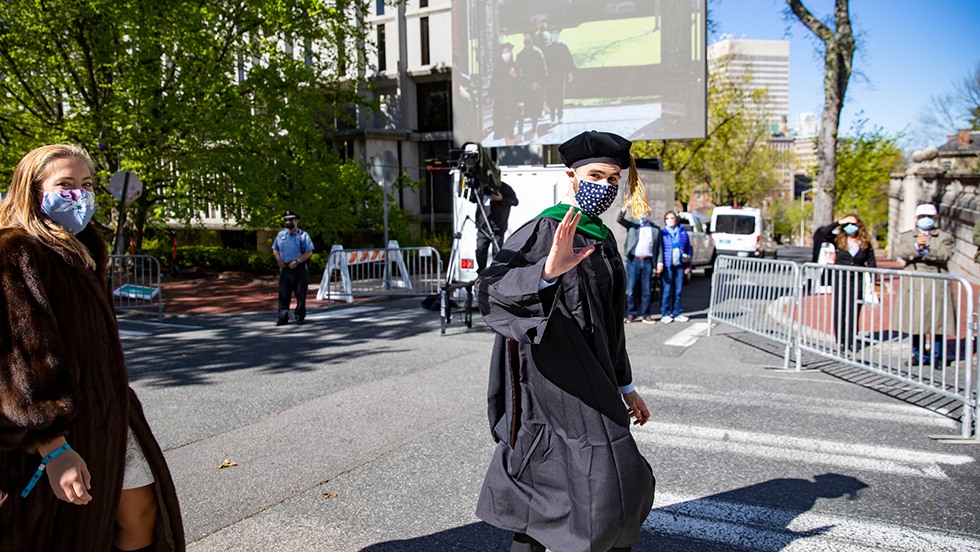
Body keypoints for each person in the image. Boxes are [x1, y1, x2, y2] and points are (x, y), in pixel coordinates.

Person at [475, 130, 655, 552]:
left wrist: (626, 387)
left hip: (594, 378)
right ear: (572, 176)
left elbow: (611, 324)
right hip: (548, 383)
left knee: (590, 482)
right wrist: (546, 273)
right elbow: (491, 291)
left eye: (614, 179)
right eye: (596, 175)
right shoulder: (545, 228)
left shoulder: (604, 239)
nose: (606, 186)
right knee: (560, 482)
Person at [0, 144, 184, 551]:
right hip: (54, 428)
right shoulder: (16, 252)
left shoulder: (80, 249)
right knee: (65, 533)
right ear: (32, 190)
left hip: (108, 415)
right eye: (65, 184)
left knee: (142, 515)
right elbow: (21, 359)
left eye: (86, 184)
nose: (78, 195)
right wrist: (53, 446)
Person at [891, 203, 956, 351]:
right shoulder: (906, 236)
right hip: (914, 282)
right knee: (915, 319)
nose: (925, 219)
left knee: (938, 320)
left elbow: (945, 255)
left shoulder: (944, 237)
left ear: (935, 218)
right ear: (916, 218)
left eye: (929, 217)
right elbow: (901, 253)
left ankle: (937, 354)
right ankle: (917, 353)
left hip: (936, 280)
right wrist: (915, 246)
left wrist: (927, 250)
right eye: (922, 217)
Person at [814, 214, 877, 352]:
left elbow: (871, 262)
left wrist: (873, 280)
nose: (851, 227)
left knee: (854, 309)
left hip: (857, 279)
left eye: (853, 224)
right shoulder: (838, 240)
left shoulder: (865, 242)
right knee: (840, 308)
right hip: (840, 277)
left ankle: (851, 339)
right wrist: (840, 222)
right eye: (848, 224)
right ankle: (841, 340)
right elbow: (823, 233)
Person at [617, 202, 662, 324]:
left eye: (645, 212)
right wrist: (625, 207)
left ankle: (646, 315)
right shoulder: (633, 224)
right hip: (633, 261)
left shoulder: (655, 229)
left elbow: (658, 248)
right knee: (631, 290)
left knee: (646, 291)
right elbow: (619, 219)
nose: (643, 215)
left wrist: (659, 263)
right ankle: (631, 314)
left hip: (647, 262)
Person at [272, 210, 314, 326]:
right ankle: (282, 317)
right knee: (283, 294)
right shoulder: (281, 235)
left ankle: (299, 317)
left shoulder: (303, 235)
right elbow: (275, 249)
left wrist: (297, 261)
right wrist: (279, 260)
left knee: (300, 294)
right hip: (285, 268)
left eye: (291, 220)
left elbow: (309, 252)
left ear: (296, 221)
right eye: (286, 220)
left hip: (298, 268)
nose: (288, 222)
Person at [474, 181, 519, 273]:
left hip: (498, 226)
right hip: (483, 225)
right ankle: (481, 272)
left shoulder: (505, 188)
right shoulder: (481, 187)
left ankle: (495, 273)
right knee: (480, 249)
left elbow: (515, 202)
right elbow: (472, 198)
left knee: (497, 252)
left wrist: (501, 199)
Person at [657, 211, 693, 323]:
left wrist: (688, 265)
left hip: (679, 265)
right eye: (667, 218)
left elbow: (688, 249)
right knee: (667, 290)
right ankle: (665, 313)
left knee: (678, 291)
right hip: (668, 265)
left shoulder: (682, 232)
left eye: (672, 218)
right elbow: (659, 249)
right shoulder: (662, 233)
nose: (670, 220)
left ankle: (677, 312)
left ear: (676, 219)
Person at [516, 32, 547, 142]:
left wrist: (537, 82)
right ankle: (520, 134)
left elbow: (542, 70)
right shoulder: (520, 54)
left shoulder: (537, 53)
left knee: (534, 111)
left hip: (534, 86)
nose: (526, 40)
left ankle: (534, 132)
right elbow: (518, 70)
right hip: (523, 86)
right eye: (525, 38)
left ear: (532, 39)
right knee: (521, 111)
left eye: (528, 38)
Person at [488, 42, 521, 145]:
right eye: (503, 52)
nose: (505, 54)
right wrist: (490, 96)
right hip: (500, 101)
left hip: (512, 100)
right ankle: (508, 143)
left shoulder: (516, 66)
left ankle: (510, 143)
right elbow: (493, 83)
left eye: (507, 52)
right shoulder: (498, 68)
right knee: (501, 125)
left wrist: (516, 76)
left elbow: (522, 83)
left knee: (510, 124)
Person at [542, 27, 575, 123]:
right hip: (550, 76)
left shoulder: (563, 47)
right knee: (551, 95)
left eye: (557, 33)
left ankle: (560, 115)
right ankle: (552, 114)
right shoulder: (547, 48)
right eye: (553, 33)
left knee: (560, 95)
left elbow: (569, 61)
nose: (555, 35)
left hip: (560, 75)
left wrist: (570, 73)